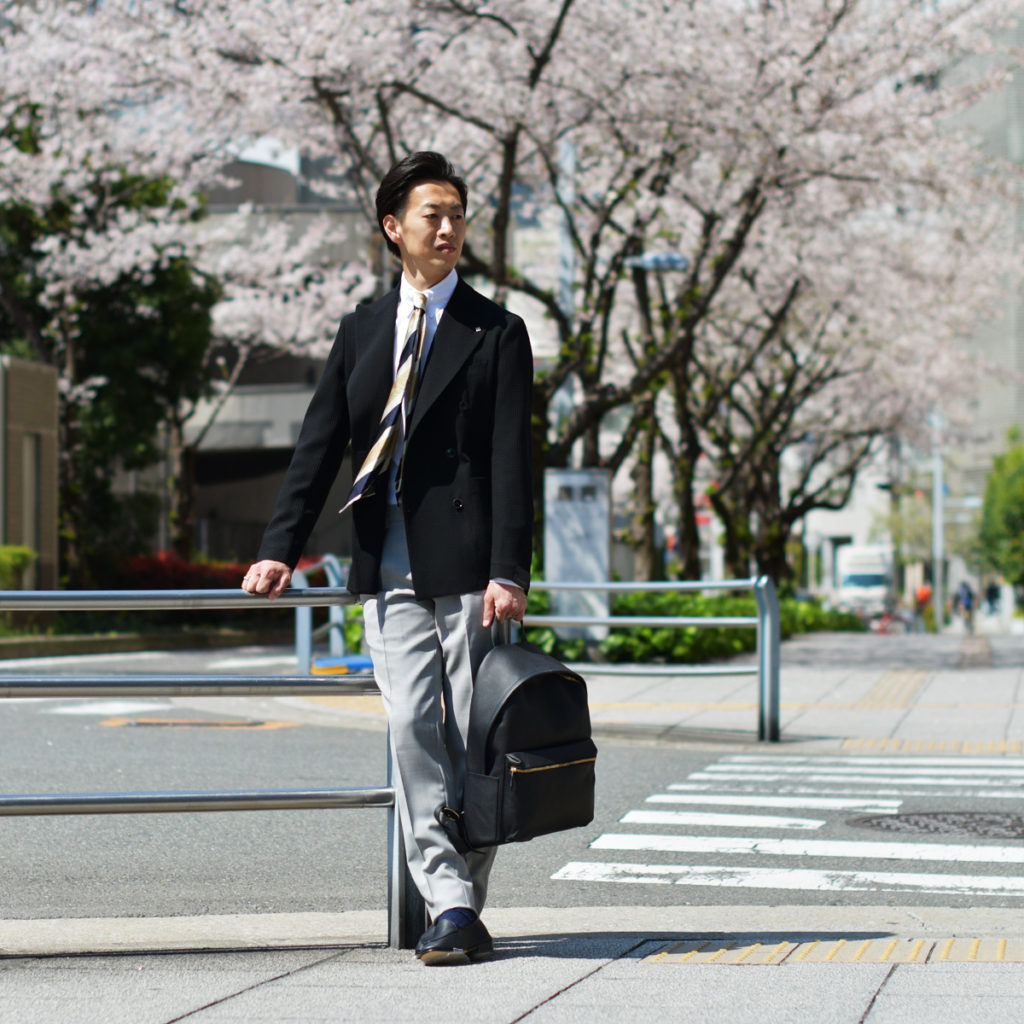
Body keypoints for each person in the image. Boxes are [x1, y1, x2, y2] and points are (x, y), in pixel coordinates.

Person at [241, 152, 534, 965]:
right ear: (392, 228)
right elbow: (318, 447)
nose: (447, 229)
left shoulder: (496, 330)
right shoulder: (363, 330)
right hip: (387, 555)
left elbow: (514, 461)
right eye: (431, 215)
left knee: (474, 737)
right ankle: (448, 896)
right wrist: (280, 551)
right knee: (410, 721)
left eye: (457, 215)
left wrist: (511, 571)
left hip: (474, 567)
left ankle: (460, 903)